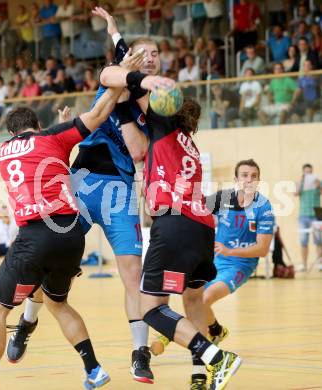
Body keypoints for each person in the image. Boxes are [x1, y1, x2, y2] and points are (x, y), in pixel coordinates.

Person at [6, 11, 155, 383]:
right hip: (82, 184)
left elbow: (141, 153)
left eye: (155, 54)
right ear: (131, 60)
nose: (150, 57)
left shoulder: (151, 108)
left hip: (120, 190)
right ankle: (27, 322)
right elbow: (115, 66)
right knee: (48, 260)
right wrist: (115, 31)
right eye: (143, 53)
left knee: (132, 275)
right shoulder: (113, 81)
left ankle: (140, 351)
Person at [0, 74, 131, 389]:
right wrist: (119, 86)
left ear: (10, 132)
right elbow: (96, 117)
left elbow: (38, 160)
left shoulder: (2, 152)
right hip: (71, 234)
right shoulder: (53, 138)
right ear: (38, 124)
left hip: (35, 235)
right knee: (58, 303)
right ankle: (94, 369)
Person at [112, 67, 242, 390]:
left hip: (174, 225)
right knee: (193, 301)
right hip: (201, 228)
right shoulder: (192, 150)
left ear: (167, 108)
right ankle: (202, 374)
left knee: (151, 309)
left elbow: (131, 86)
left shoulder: (163, 124)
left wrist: (119, 46)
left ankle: (215, 357)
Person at [150, 159, 274, 387]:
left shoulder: (263, 207)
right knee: (193, 300)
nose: (249, 179)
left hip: (240, 265)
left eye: (253, 176)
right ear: (236, 179)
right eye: (244, 175)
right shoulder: (224, 197)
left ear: (258, 180)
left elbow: (263, 249)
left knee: (204, 298)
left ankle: (173, 336)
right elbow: (194, 210)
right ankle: (215, 331)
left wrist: (230, 250)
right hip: (215, 259)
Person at [295, 163, 322, 272]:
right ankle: (304, 264)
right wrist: (301, 183)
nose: (308, 174)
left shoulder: (318, 182)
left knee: (319, 240)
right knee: (303, 241)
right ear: (303, 172)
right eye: (306, 172)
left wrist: (319, 186)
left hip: (317, 213)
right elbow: (295, 193)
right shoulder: (300, 183)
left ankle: (320, 263)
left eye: (310, 172)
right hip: (303, 214)